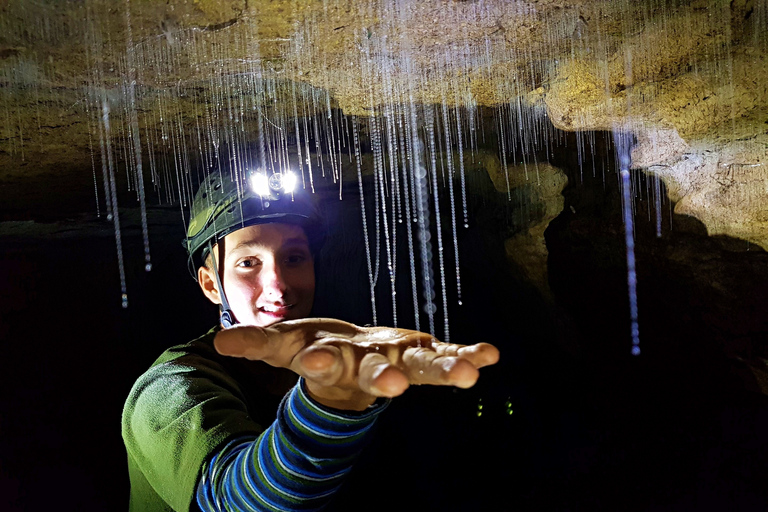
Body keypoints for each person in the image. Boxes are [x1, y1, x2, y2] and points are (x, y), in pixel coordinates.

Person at [122, 169, 500, 512]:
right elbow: (235, 502)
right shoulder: (167, 389)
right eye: (248, 263)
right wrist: (330, 406)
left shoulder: (344, 358)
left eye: (294, 258)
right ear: (211, 285)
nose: (279, 285)